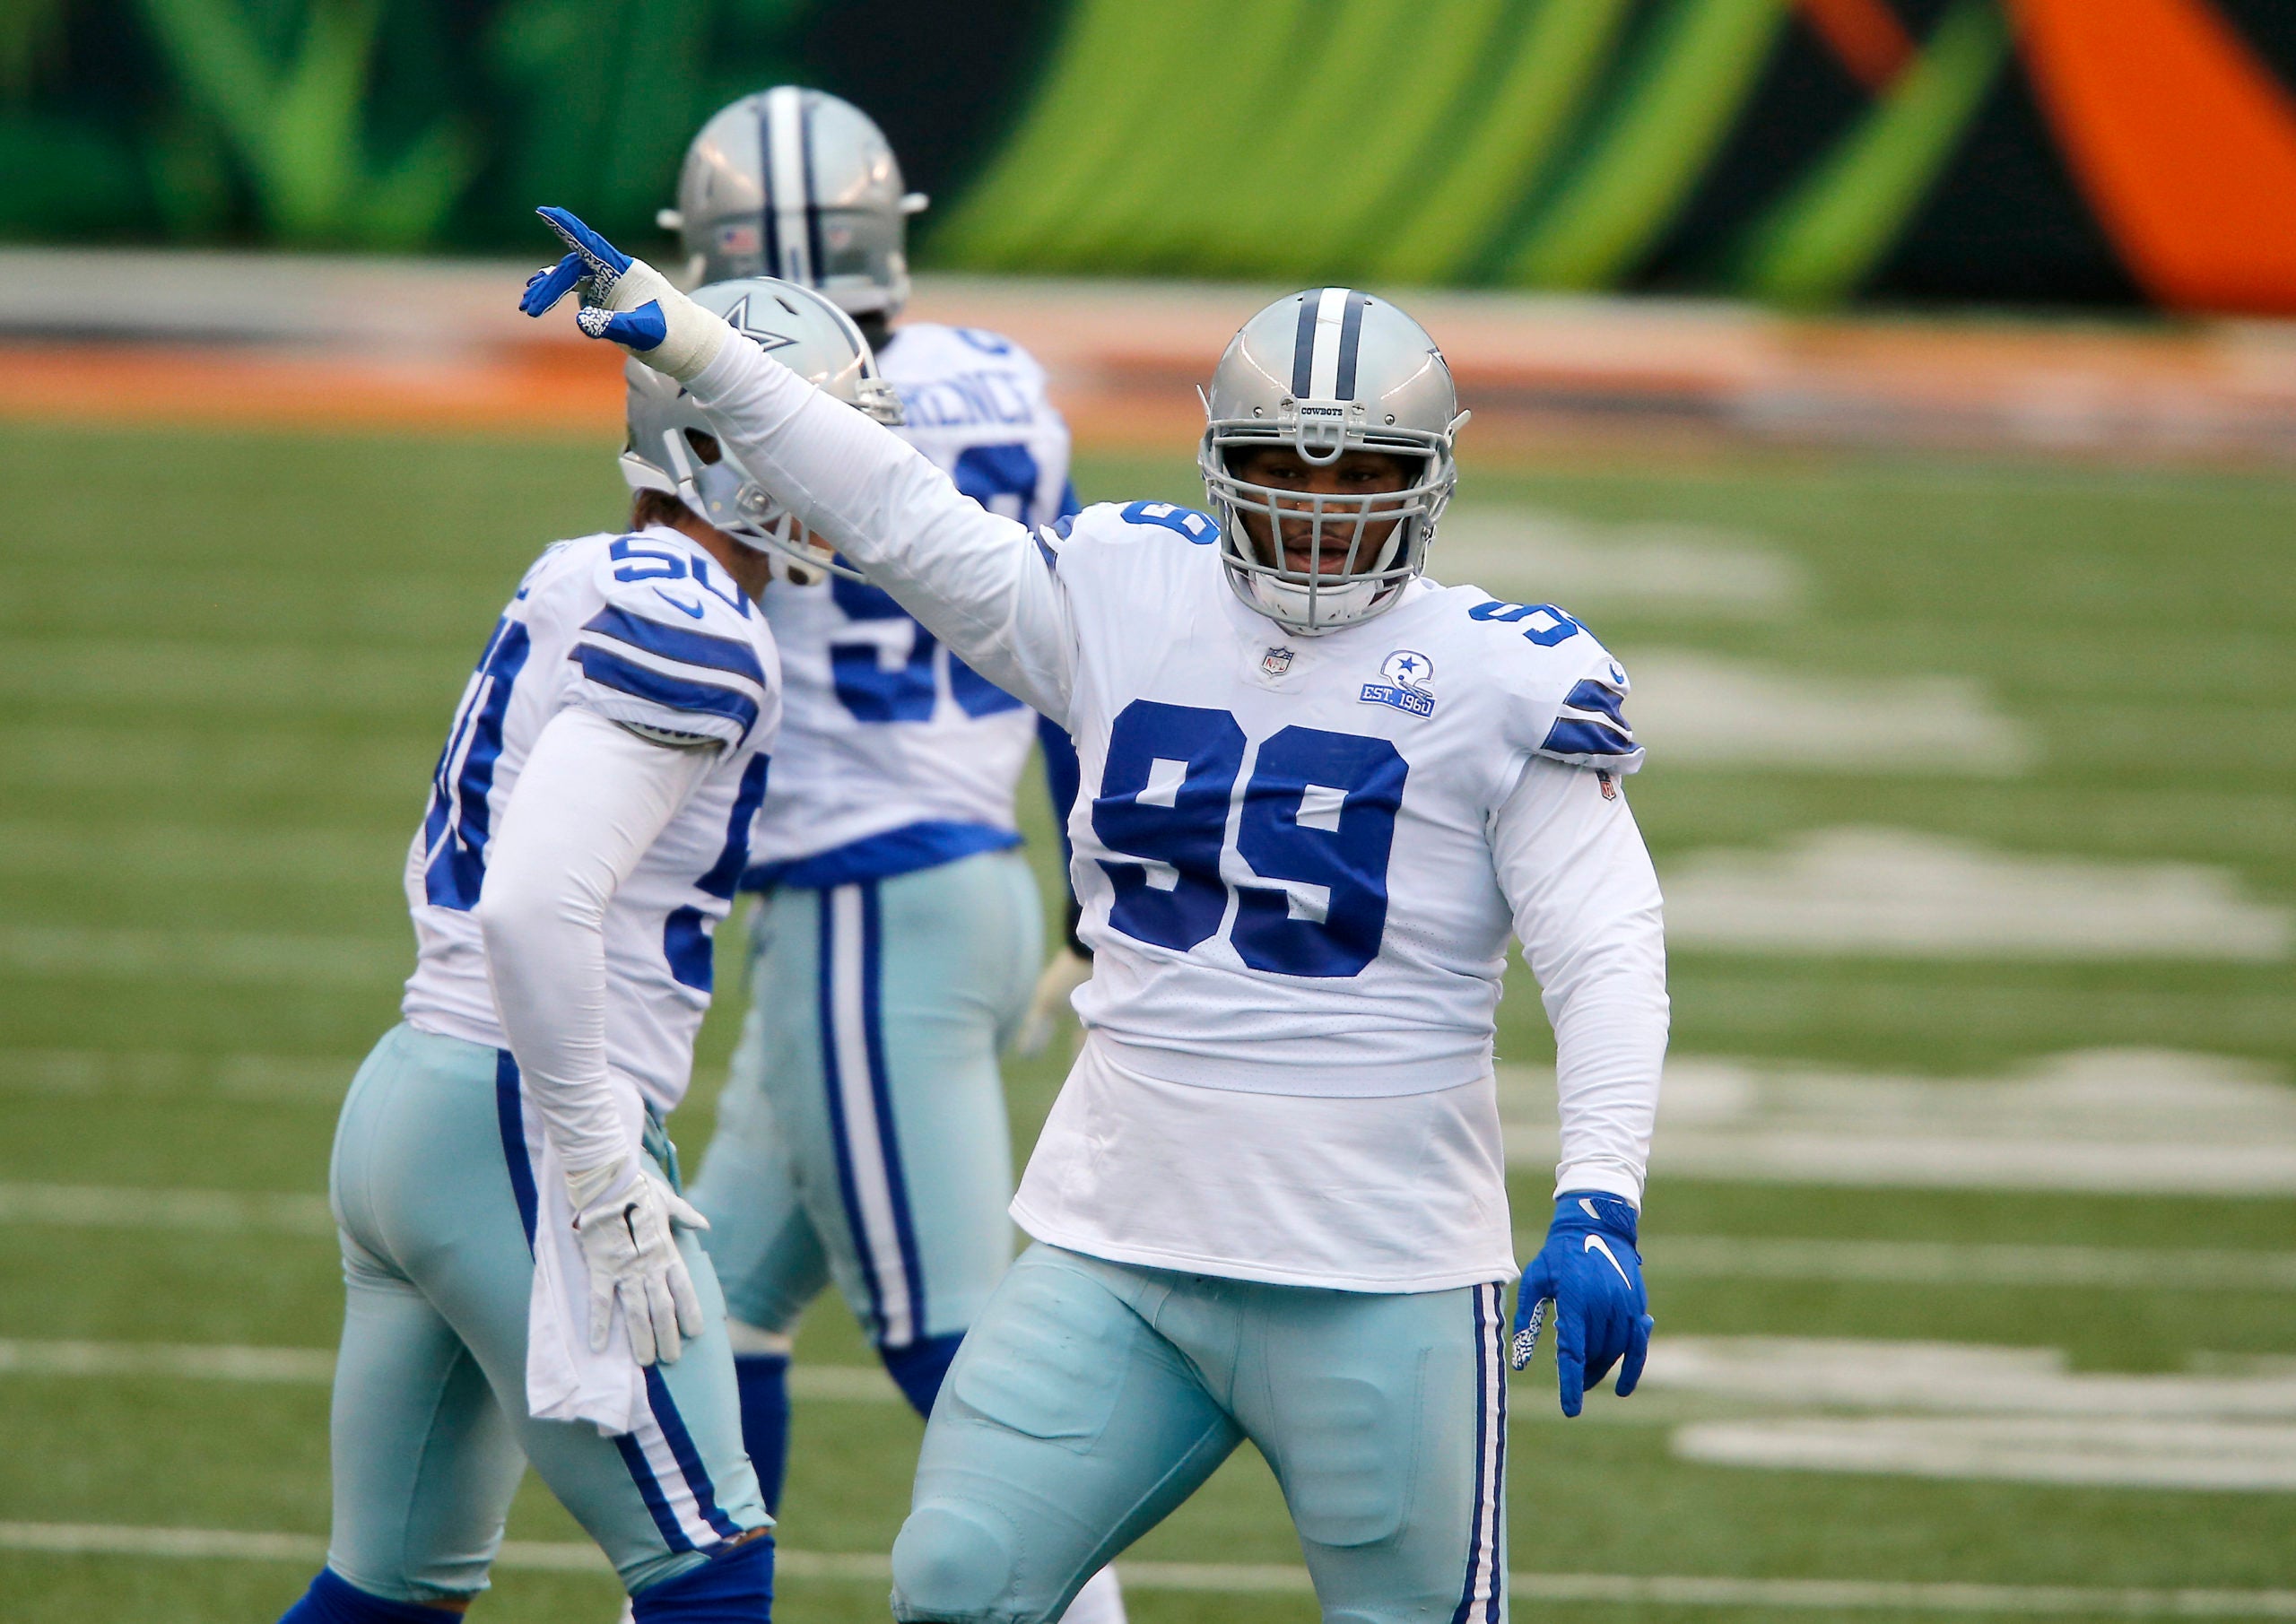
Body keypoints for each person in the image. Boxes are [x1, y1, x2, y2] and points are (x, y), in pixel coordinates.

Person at [524, 213, 1667, 1624]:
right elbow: (895, 511)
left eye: (1364, 472)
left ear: (1428, 479)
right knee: (957, 1578)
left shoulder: (1502, 676)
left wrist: (1600, 1195)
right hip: (1118, 1247)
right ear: (1219, 462)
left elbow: (1606, 948)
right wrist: (698, 342)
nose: (1320, 508)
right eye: (1281, 467)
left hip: (1383, 1272)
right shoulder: (1128, 591)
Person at [273, 275, 893, 1624]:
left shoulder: (591, 568)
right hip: (523, 1119)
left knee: (387, 1595)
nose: (845, 471)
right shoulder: (696, 622)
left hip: (416, 1098)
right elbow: (533, 902)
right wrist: (601, 1165)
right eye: (811, 432)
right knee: (710, 1568)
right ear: (718, 448)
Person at [648, 88, 1121, 1624]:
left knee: (966, 1363)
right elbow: (1066, 642)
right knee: (710, 1311)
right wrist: (1087, 899)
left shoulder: (739, 397)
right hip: (969, 881)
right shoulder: (1006, 384)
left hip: (863, 905)